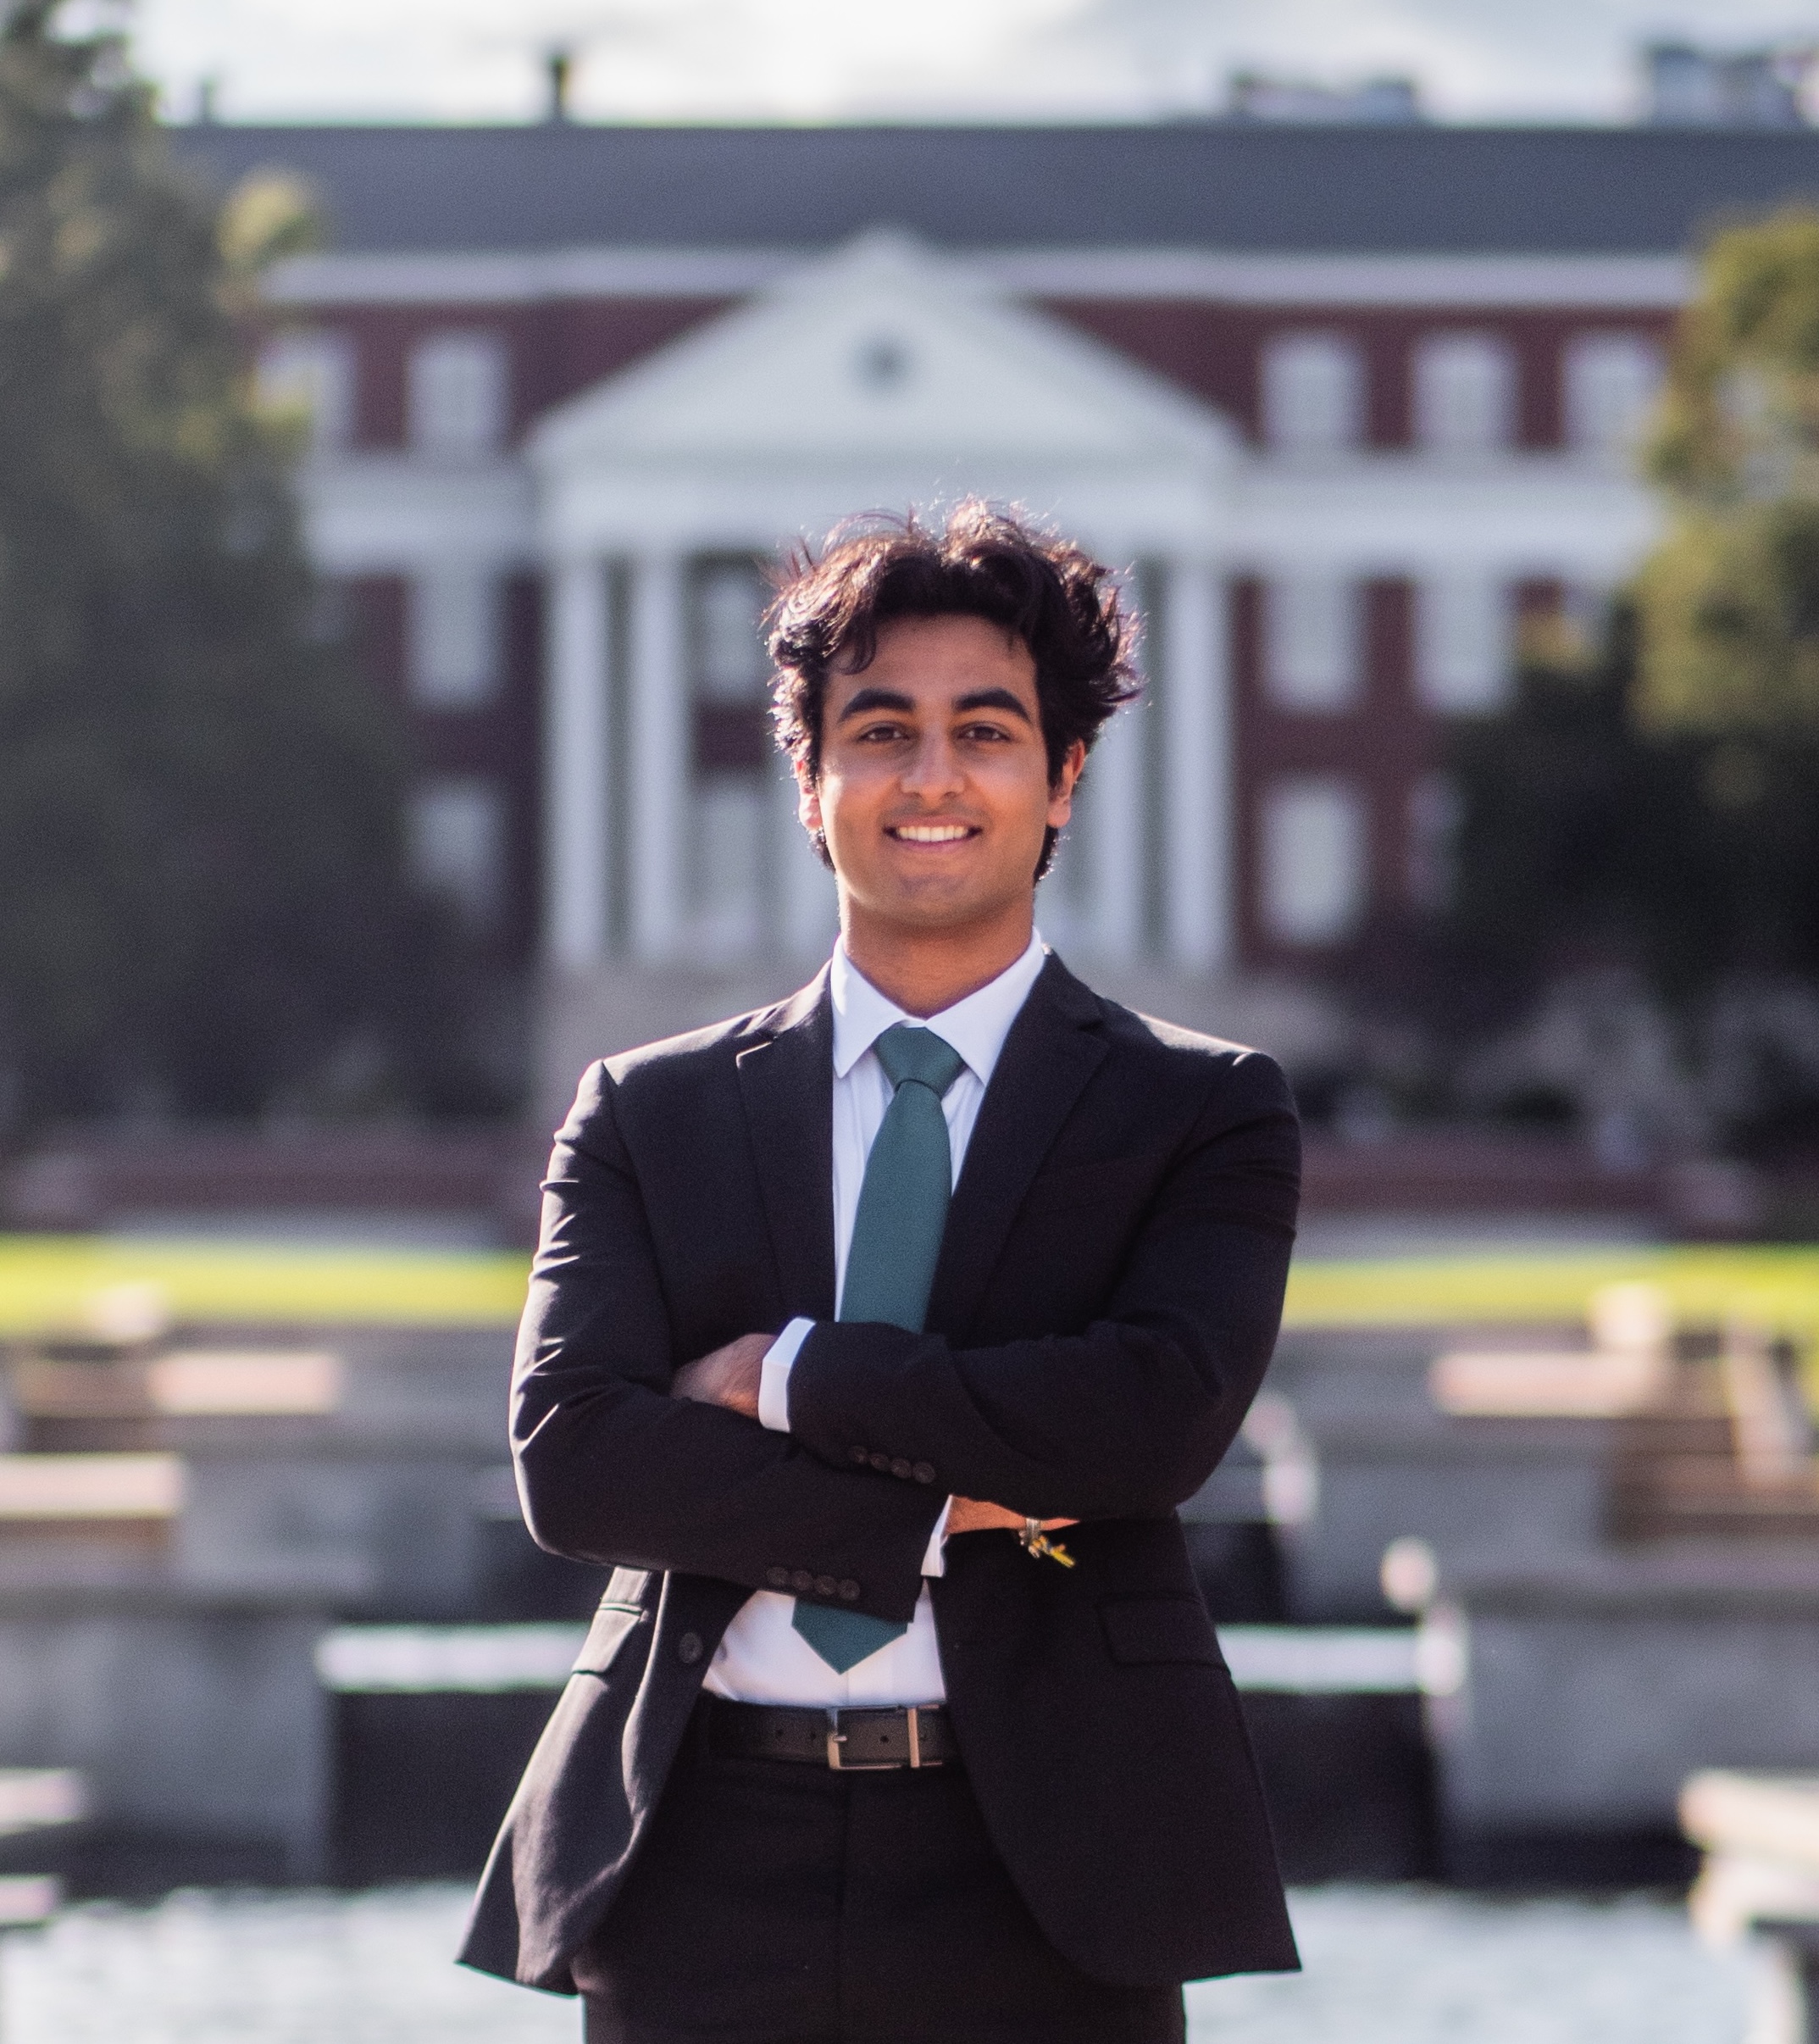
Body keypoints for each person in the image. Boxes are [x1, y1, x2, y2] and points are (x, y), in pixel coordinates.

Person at [459, 500, 1302, 2042]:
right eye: (880, 730)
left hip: (1054, 1870)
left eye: (985, 731)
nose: (930, 776)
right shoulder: (650, 1111)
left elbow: (1149, 1428)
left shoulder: (1201, 1109)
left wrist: (780, 1379)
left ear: (1064, 780)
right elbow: (576, 1467)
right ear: (809, 779)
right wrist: (955, 1497)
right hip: (698, 1867)